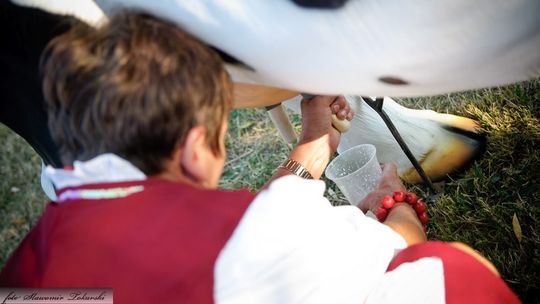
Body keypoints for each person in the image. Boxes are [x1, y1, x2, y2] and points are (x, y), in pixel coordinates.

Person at [0, 11, 519, 304]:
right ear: (194, 148)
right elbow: (396, 256)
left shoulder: (21, 280)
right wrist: (393, 207)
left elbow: (268, 221)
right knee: (458, 271)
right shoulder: (262, 239)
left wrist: (314, 138)